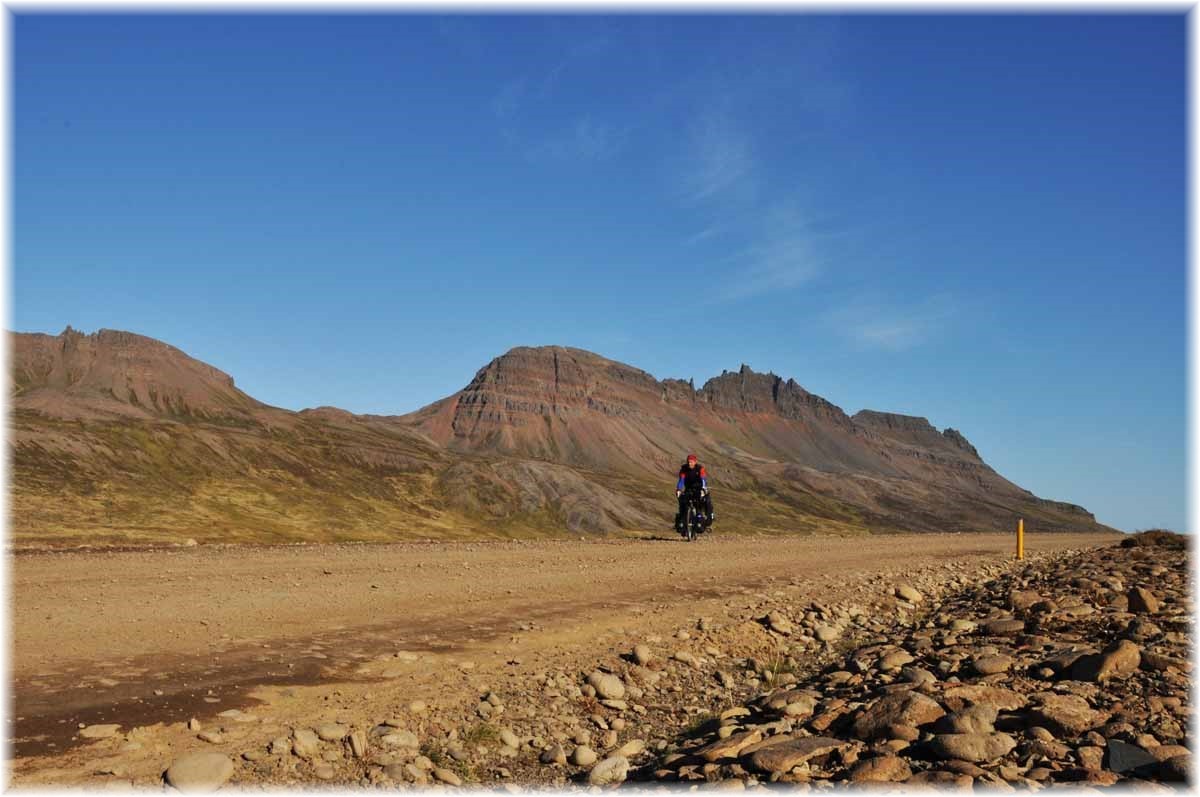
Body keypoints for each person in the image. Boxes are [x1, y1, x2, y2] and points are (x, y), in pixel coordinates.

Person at [675, 453, 715, 532]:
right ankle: (682, 522)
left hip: (699, 489)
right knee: (683, 503)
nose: (690, 463)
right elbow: (681, 480)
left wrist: (703, 489)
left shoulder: (700, 469)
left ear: (695, 462)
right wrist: (679, 489)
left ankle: (705, 519)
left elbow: (703, 479)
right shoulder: (684, 469)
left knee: (702, 503)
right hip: (688, 489)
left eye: (691, 462)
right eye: (688, 462)